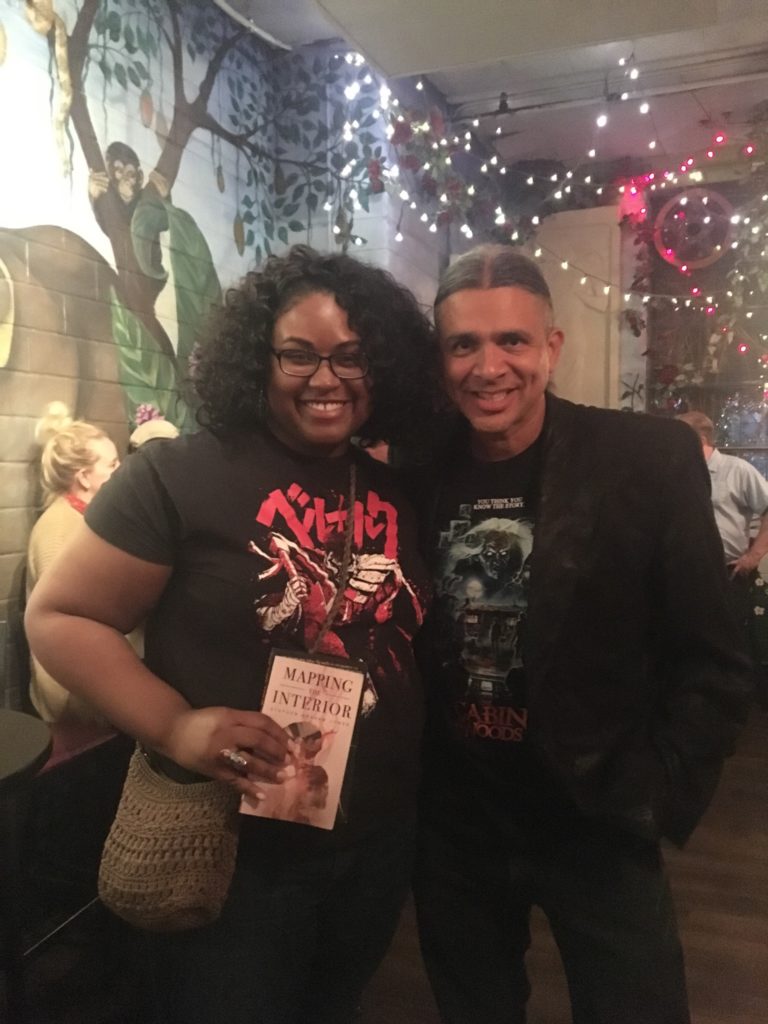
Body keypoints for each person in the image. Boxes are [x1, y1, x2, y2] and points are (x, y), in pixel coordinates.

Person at [25, 245, 434, 1024]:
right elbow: (62, 617)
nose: (326, 378)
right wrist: (176, 726)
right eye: (298, 354)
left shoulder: (397, 489)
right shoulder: (178, 476)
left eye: (351, 356)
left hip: (377, 838)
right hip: (233, 852)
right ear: (257, 360)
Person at [409, 245, 752, 1024]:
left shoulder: (645, 458)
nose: (488, 367)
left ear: (551, 347)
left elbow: (714, 658)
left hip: (597, 816)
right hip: (459, 822)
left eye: (512, 340)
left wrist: (656, 793)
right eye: (464, 344)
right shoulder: (417, 468)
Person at [26, 402, 120, 723]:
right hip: (71, 700)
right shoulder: (58, 530)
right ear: (84, 477)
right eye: (112, 464)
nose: (121, 471)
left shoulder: (83, 520)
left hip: (85, 687)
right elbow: (68, 629)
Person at [676, 410, 768, 640]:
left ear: (700, 439)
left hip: (728, 575)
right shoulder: (677, 474)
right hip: (684, 575)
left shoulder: (737, 470)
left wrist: (753, 556)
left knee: (730, 642)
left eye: (678, 437)